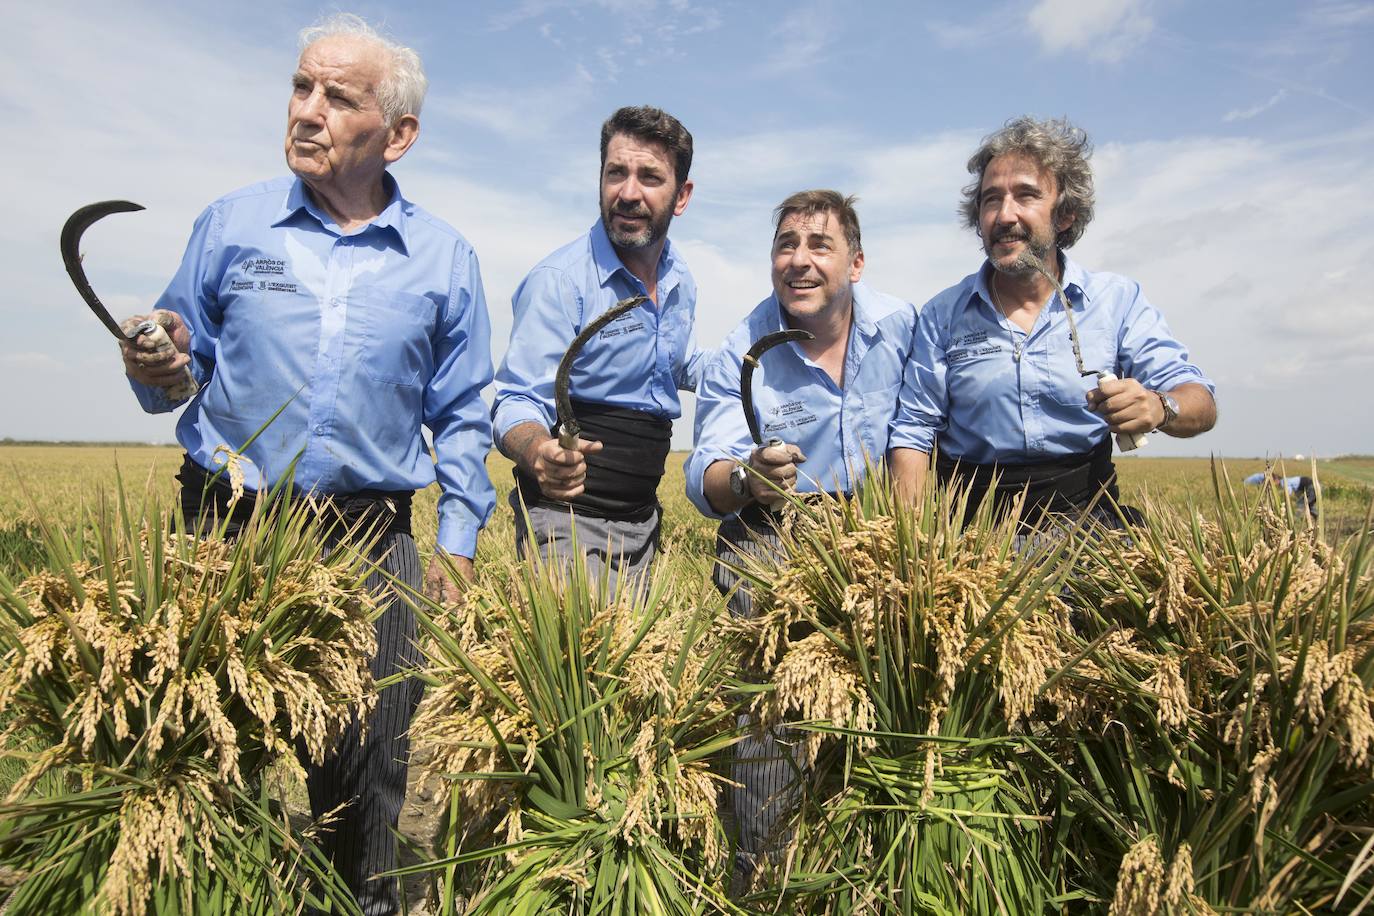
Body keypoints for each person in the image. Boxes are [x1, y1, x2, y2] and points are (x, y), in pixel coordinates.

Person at [118, 14, 495, 913]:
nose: (308, 111)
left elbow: (463, 418)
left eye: (338, 96)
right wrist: (159, 355)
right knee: (198, 772)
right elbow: (180, 360)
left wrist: (458, 542)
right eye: (301, 87)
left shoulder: (443, 259)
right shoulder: (231, 224)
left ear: (397, 134)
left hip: (370, 550)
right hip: (225, 534)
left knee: (367, 784)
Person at [686, 190, 917, 886]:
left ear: (856, 260)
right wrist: (749, 478)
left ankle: (868, 879)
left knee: (884, 717)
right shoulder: (746, 345)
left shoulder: (902, 328)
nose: (800, 260)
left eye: (819, 245)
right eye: (787, 245)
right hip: (772, 539)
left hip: (878, 532)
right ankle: (763, 881)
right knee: (769, 730)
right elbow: (705, 473)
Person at [889, 116, 1216, 523]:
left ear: (1065, 215)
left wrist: (1160, 406)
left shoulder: (1116, 300)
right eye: (991, 199)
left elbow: (1200, 400)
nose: (1004, 215)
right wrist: (913, 544)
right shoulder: (942, 314)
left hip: (1089, 523)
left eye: (1025, 196)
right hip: (974, 529)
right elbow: (914, 430)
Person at [492, 106, 703, 585]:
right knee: (581, 654)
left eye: (649, 176)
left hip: (643, 519)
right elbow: (514, 400)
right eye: (616, 174)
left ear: (682, 195)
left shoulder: (678, 278)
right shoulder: (560, 281)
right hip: (565, 522)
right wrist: (539, 449)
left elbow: (672, 363)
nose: (628, 193)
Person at [1244, 469, 1320, 519]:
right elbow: (1297, 491)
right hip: (1313, 487)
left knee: (1300, 504)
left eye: (1272, 482)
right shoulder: (1286, 481)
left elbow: (1288, 493)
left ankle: (1296, 520)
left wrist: (1284, 501)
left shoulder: (1283, 482)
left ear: (1276, 480)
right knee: (1309, 505)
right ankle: (1318, 517)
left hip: (1311, 487)